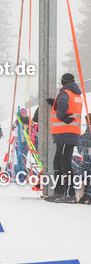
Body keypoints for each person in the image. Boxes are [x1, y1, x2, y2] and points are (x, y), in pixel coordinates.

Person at [47, 72, 84, 202]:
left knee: (64, 163)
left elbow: (63, 106)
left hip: (65, 133)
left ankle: (69, 194)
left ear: (63, 82)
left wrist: (62, 117)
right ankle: (59, 191)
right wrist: (55, 104)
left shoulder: (64, 93)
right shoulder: (76, 95)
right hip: (69, 133)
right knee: (58, 162)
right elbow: (68, 106)